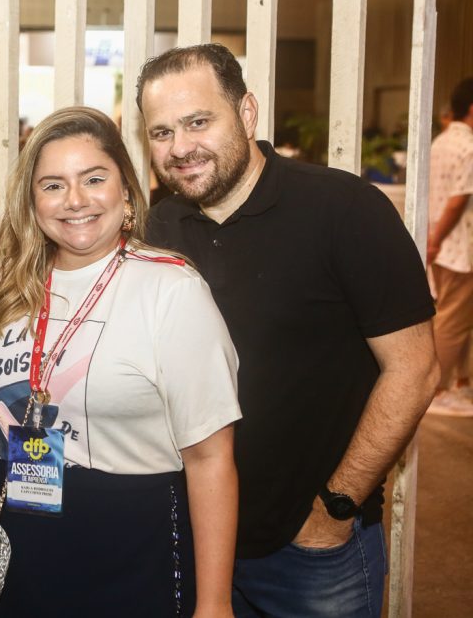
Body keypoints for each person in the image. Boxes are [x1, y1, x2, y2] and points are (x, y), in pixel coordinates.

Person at [138, 44, 436, 616]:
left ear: (247, 114)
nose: (180, 148)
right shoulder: (162, 224)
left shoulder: (344, 209)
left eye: (199, 122)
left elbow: (416, 369)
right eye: (161, 132)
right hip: (196, 540)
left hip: (312, 552)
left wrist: (335, 508)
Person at [0, 106, 241, 616]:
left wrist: (215, 604)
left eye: (93, 178)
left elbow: (211, 459)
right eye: (52, 185)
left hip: (129, 547)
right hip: (16, 546)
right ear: (31, 201)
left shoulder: (172, 290)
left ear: (127, 191)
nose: (75, 201)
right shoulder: (8, 288)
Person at [425, 78, 473, 417]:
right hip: (459, 249)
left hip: (444, 249)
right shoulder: (469, 146)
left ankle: (459, 383)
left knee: (456, 319)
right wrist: (438, 239)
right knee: (452, 323)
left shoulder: (440, 142)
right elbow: (458, 202)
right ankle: (437, 390)